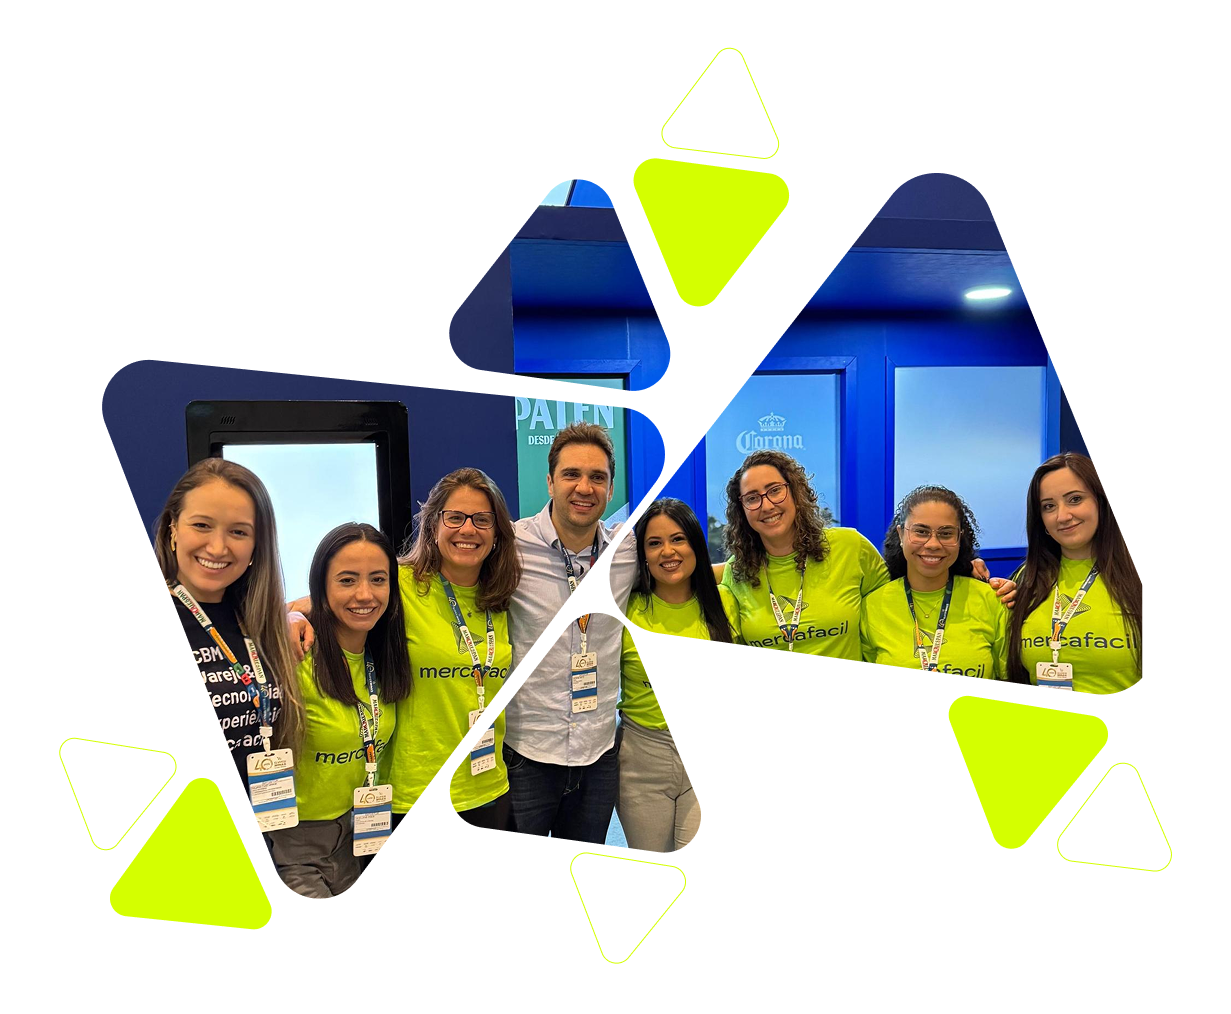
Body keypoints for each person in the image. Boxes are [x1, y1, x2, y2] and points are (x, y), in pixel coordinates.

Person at [718, 450, 1016, 658]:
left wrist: (965, 571)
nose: (767, 505)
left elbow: (904, 591)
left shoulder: (849, 547)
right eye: (752, 498)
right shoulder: (739, 571)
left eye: (775, 491)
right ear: (742, 510)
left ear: (795, 493)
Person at [503, 422, 638, 844]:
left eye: (597, 477)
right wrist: (300, 611)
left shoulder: (627, 548)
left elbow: (688, 572)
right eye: (571, 474)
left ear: (611, 488)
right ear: (550, 481)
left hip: (599, 752)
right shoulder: (508, 544)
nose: (585, 487)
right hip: (526, 753)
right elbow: (422, 575)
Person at [271, 523, 410, 898]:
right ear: (322, 587)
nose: (365, 594)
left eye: (378, 579)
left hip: (359, 837)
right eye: (347, 580)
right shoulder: (295, 655)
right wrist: (284, 614)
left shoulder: (384, 656)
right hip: (294, 846)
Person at [157, 458, 304, 785]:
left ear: (255, 546)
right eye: (201, 525)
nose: (218, 547)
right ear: (173, 530)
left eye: (238, 532)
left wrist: (295, 613)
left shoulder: (258, 622)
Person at [390, 468, 521, 828]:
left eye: (482, 520)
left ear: (497, 534)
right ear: (433, 525)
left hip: (489, 788)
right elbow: (323, 604)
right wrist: (295, 620)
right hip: (413, 791)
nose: (468, 530)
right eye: (455, 518)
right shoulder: (397, 585)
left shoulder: (502, 597)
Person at [618, 498, 738, 852]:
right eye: (654, 543)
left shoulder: (726, 602)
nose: (667, 551)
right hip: (641, 758)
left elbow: (735, 566)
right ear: (642, 554)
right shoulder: (626, 607)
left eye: (678, 539)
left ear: (695, 545)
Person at [1008, 453, 1142, 693]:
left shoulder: (1133, 578)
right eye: (1049, 506)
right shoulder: (1026, 579)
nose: (1063, 516)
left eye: (1075, 499)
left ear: (1101, 502)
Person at [860, 486, 1007, 680]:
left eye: (946, 534)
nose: (933, 544)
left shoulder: (991, 600)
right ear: (902, 535)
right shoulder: (873, 607)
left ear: (959, 538)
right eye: (921, 531)